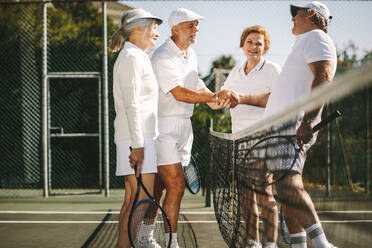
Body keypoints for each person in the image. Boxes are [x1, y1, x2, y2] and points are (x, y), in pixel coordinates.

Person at [151, 8, 237, 248]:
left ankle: (146, 237)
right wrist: (214, 95)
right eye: (191, 26)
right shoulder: (162, 57)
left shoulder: (191, 54)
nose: (196, 30)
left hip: (184, 128)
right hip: (164, 127)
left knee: (160, 188)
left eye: (197, 26)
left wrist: (214, 99)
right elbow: (179, 92)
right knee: (177, 185)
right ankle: (172, 243)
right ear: (175, 29)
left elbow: (195, 84)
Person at [262, 2, 337, 248]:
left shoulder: (316, 37)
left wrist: (307, 120)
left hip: (291, 127)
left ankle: (322, 244)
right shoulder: (305, 41)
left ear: (311, 15)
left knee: (288, 183)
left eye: (297, 13)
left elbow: (323, 77)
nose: (292, 18)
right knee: (284, 189)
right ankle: (299, 244)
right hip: (281, 128)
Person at [221, 25, 281, 248]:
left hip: (264, 139)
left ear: (265, 47)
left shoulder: (273, 69)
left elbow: (275, 98)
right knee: (246, 195)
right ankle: (254, 241)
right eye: (250, 42)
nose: (254, 47)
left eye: (259, 43)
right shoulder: (235, 72)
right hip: (239, 141)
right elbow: (222, 99)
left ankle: (271, 244)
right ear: (242, 45)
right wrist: (210, 97)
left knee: (264, 192)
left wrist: (242, 97)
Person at [109, 8, 163, 248]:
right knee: (142, 199)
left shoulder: (137, 56)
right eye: (154, 27)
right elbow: (132, 105)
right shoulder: (131, 58)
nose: (157, 33)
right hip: (136, 139)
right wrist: (139, 146)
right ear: (138, 28)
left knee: (133, 199)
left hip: (136, 138)